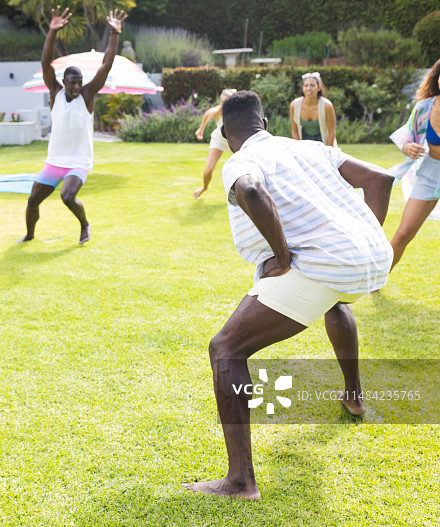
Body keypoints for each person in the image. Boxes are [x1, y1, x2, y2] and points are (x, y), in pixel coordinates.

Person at [184, 91, 393, 500]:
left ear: (225, 132)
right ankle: (353, 397)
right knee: (334, 299)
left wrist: (282, 257)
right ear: (264, 123)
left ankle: (240, 482)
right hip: (369, 260)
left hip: (326, 264)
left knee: (226, 349)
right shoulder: (310, 147)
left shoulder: (241, 161)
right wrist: (364, 241)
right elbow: (380, 179)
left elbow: (251, 190)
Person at [17, 6, 127, 245]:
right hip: (54, 161)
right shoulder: (55, 93)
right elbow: (46, 64)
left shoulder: (87, 96)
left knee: (67, 197)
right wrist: (52, 31)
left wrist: (114, 33)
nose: (77, 87)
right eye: (72, 83)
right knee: (33, 200)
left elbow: (106, 65)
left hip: (79, 162)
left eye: (79, 82)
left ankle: (84, 224)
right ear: (64, 82)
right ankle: (29, 235)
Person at [388, 58, 440, 270]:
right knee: (402, 233)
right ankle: (375, 282)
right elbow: (407, 137)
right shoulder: (424, 108)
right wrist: (406, 147)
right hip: (429, 175)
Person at [193, 88, 237, 199]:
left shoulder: (237, 113)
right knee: (208, 171)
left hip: (234, 140)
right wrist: (200, 130)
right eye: (223, 101)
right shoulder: (217, 111)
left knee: (239, 167)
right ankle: (204, 187)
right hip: (219, 139)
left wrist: (231, 142)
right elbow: (208, 114)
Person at [289, 72, 337, 146]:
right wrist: (299, 148)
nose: (308, 88)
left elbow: (332, 132)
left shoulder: (327, 106)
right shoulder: (294, 105)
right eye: (306, 85)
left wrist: (328, 150)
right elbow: (294, 130)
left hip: (323, 144)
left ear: (319, 88)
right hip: (304, 144)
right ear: (303, 88)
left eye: (312, 85)